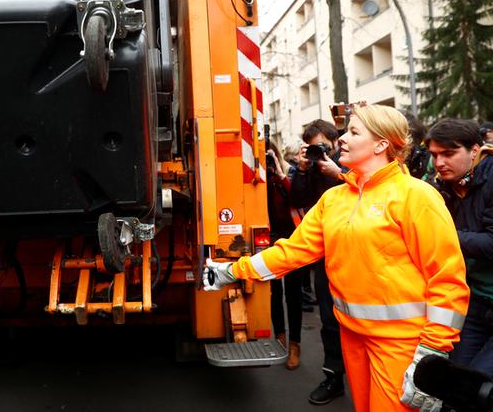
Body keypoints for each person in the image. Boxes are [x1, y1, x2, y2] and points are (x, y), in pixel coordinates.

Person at [205, 105, 469, 412]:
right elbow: (293, 251)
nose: (342, 138)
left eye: (354, 132)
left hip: (402, 342)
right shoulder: (334, 199)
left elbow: (448, 280)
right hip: (353, 336)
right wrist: (233, 271)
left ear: (382, 144)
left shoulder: (416, 196)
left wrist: (431, 352)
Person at [426, 119, 493, 375]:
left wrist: (443, 234)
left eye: (448, 153)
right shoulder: (443, 185)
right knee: (456, 378)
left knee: (479, 385)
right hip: (474, 302)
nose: (439, 162)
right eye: (434, 155)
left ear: (474, 150)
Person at [289, 119, 347, 405]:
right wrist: (302, 169)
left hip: (354, 253)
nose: (318, 152)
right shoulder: (309, 168)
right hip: (325, 253)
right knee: (329, 320)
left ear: (335, 142)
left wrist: (338, 173)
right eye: (313, 148)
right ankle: (334, 377)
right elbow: (297, 198)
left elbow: (366, 188)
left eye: (323, 146)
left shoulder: (349, 162)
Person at [266, 142, 303, 370]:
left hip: (292, 238)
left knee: (293, 294)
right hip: (269, 238)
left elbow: (297, 199)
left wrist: (279, 174)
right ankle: (279, 338)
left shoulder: (289, 172)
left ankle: (295, 345)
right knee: (273, 293)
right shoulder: (257, 178)